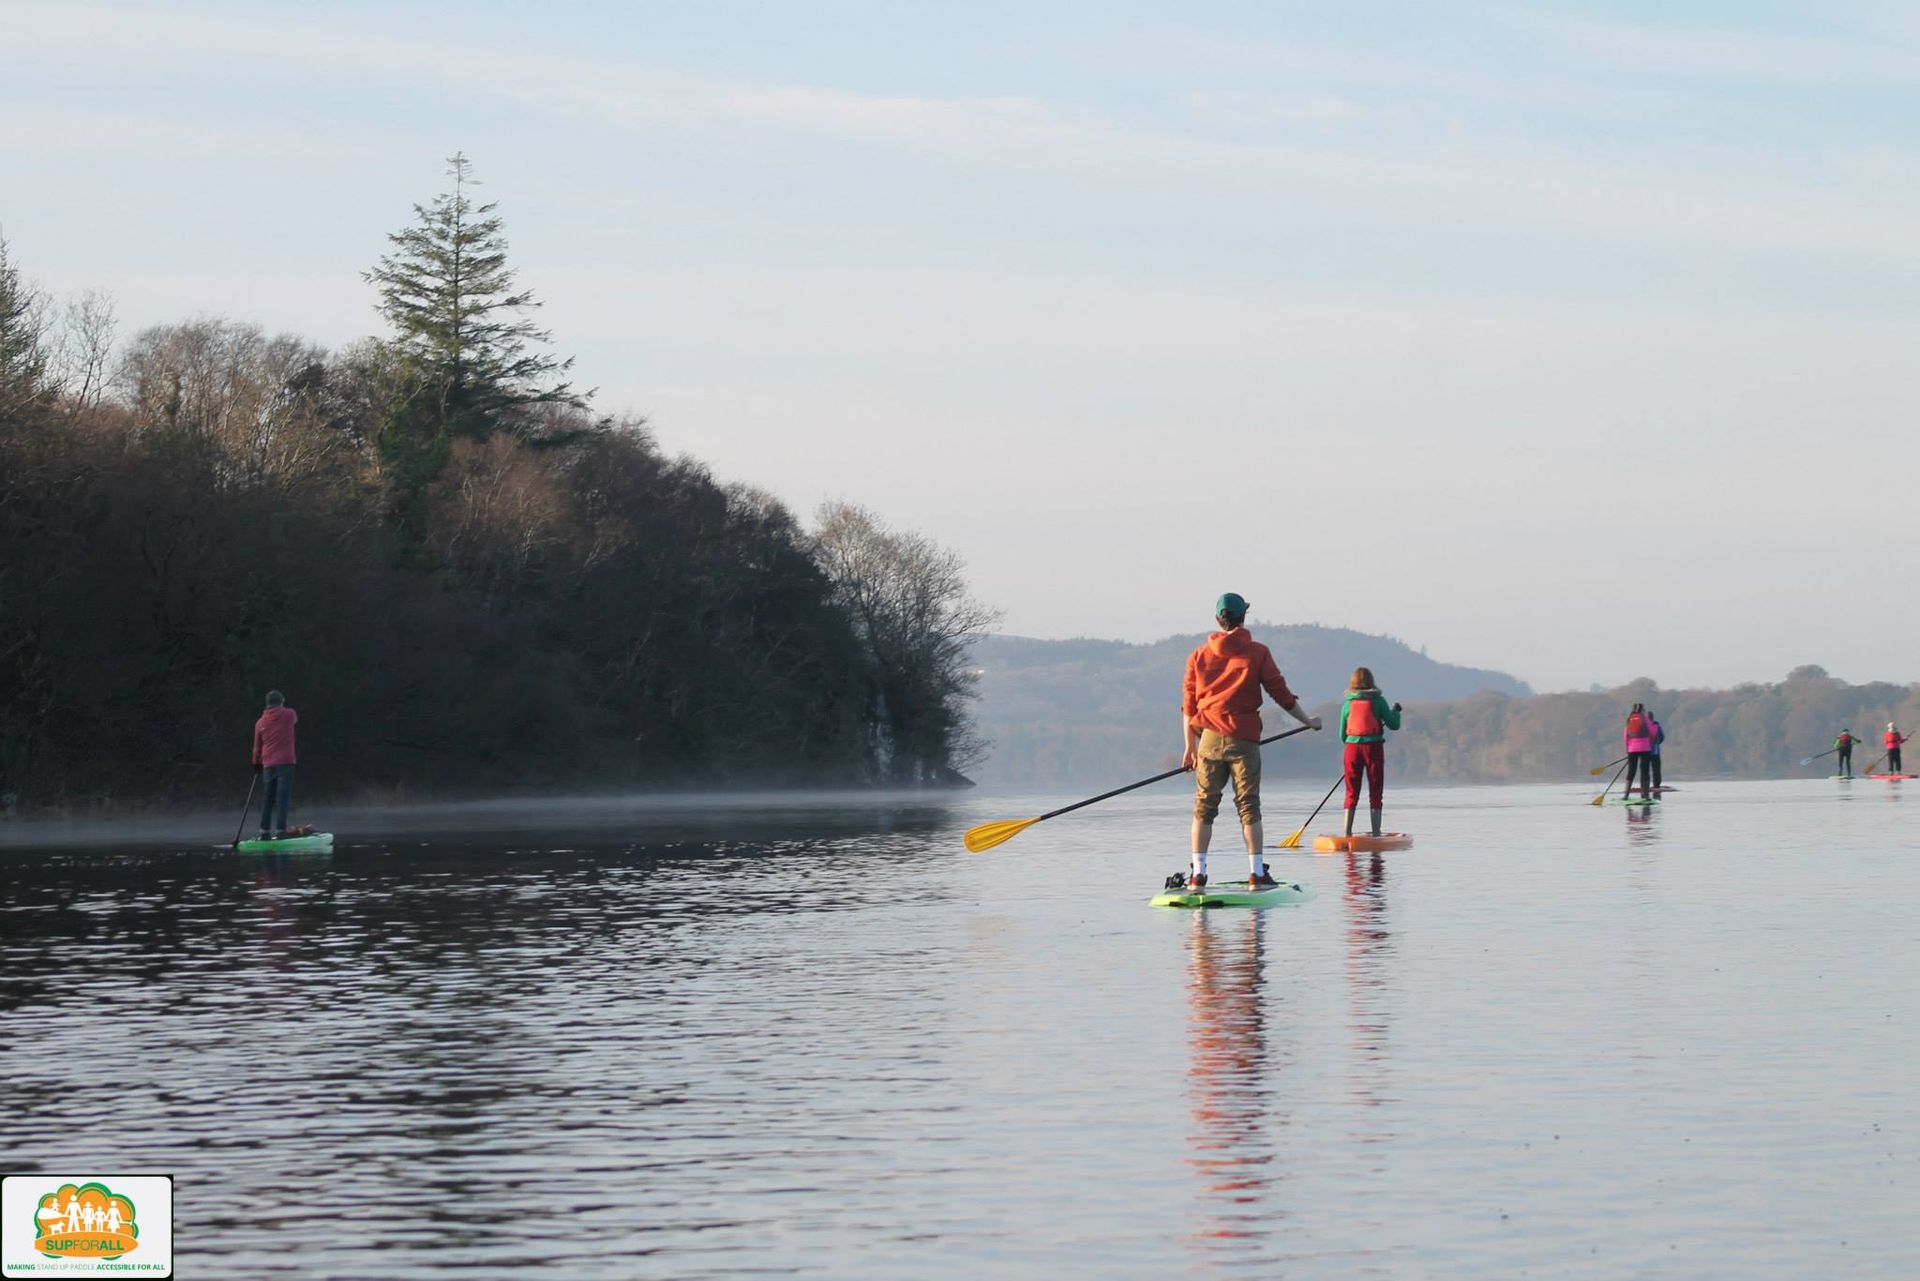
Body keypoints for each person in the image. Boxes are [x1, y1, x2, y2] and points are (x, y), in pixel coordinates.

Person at [1182, 593, 1321, 891]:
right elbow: (1281, 695)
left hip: (1207, 739)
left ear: (1219, 619)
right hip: (1244, 739)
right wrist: (1308, 722)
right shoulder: (1257, 652)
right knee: (1249, 806)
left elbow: (1189, 706)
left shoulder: (1198, 655)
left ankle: (1198, 874)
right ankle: (1256, 874)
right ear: (1243, 617)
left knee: (1204, 807)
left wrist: (1189, 748)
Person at [1338, 666, 1403, 837]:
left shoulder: (1347, 704)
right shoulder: (1379, 701)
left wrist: (1354, 743)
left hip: (1351, 750)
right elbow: (1394, 725)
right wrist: (1395, 712)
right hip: (1373, 749)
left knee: (1351, 791)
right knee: (1375, 789)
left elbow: (1342, 735)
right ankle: (1376, 833)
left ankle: (1346, 834)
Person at [251, 690, 298, 840]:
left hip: (267, 765)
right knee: (282, 798)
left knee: (268, 798)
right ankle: (280, 831)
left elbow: (257, 747)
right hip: (285, 762)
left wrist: (256, 764)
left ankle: (264, 831)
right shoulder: (289, 715)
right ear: (282, 701)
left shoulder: (259, 722)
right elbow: (294, 720)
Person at [1622, 703, 1655, 800]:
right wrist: (1651, 740)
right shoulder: (1645, 719)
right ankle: (1646, 796)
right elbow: (1653, 732)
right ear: (1642, 710)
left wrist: (1628, 749)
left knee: (1631, 771)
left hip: (1632, 749)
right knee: (1645, 771)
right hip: (1645, 748)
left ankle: (1626, 796)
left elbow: (1625, 736)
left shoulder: (1629, 720)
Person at [1647, 709, 1665, 790]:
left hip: (1645, 751)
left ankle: (1645, 785)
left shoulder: (1644, 726)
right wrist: (1657, 744)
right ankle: (1656, 785)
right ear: (1653, 717)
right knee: (1656, 769)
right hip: (1655, 751)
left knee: (1646, 769)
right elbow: (1662, 737)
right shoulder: (1657, 726)